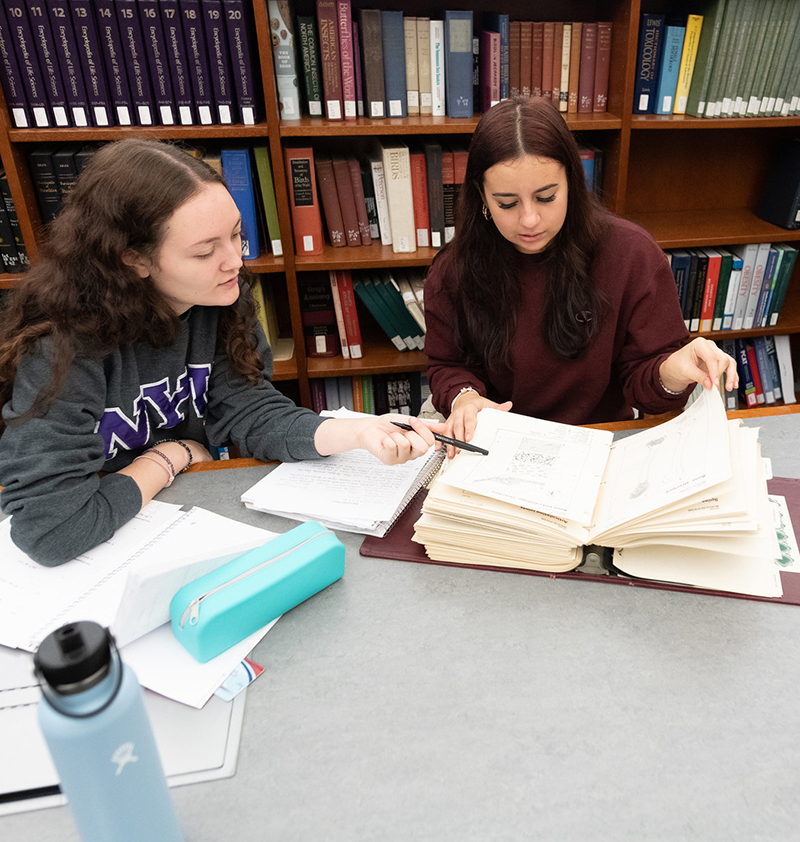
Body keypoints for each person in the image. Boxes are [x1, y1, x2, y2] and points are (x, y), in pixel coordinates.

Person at [0, 139, 438, 566]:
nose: (235, 260)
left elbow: (249, 410)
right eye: (206, 251)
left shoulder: (216, 300)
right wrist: (172, 456)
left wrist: (359, 435)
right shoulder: (63, 346)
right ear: (135, 259)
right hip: (101, 549)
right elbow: (51, 530)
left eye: (235, 234)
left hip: (177, 516)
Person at [424, 97, 738, 452]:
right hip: (500, 447)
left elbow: (650, 393)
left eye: (546, 197)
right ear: (482, 195)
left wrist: (673, 370)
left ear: (572, 183)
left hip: (604, 442)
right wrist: (465, 398)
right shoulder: (454, 269)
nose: (529, 220)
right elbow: (447, 364)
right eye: (507, 203)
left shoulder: (631, 255)